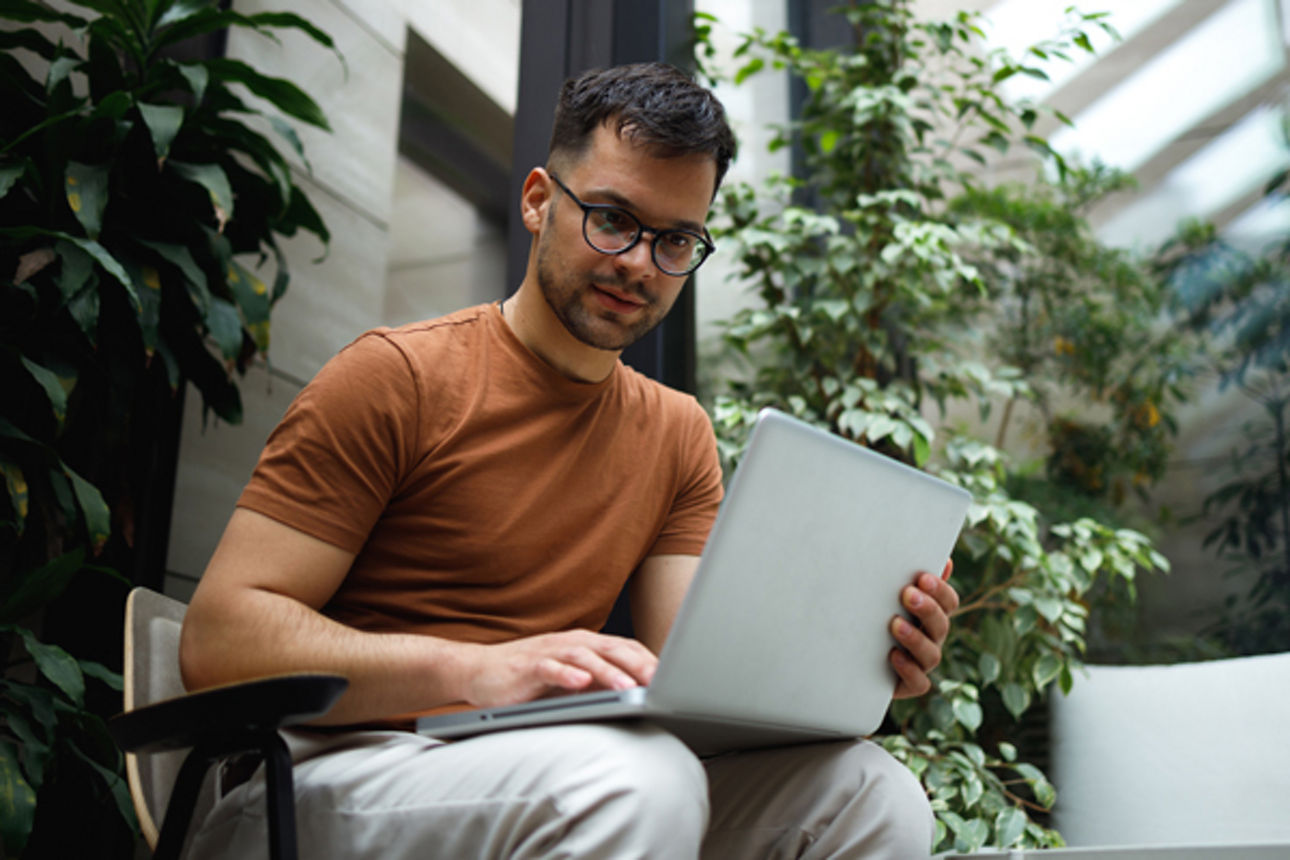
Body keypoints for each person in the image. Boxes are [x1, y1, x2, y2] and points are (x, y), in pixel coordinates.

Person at [179, 62, 960, 859]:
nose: (639, 264)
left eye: (676, 239)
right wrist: (479, 671)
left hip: (558, 776)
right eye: (614, 219)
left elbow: (693, 678)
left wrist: (859, 664)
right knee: (635, 779)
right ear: (538, 200)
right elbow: (219, 643)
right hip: (323, 779)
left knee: (873, 796)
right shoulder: (398, 377)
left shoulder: (675, 433)